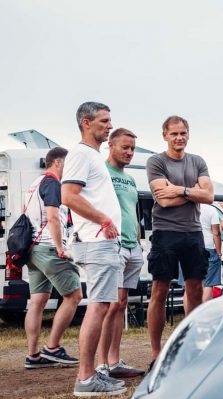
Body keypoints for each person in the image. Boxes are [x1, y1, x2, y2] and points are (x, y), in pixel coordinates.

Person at [61, 101, 125, 397]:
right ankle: (86, 379)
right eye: (104, 121)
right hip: (96, 240)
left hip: (102, 241)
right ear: (86, 123)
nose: (109, 126)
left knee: (102, 305)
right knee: (98, 306)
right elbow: (68, 196)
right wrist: (104, 220)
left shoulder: (92, 155)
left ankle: (90, 374)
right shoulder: (80, 153)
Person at [146, 115, 213, 364]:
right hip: (165, 232)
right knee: (160, 291)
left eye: (183, 133)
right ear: (165, 135)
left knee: (195, 289)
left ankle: (190, 348)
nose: (179, 137)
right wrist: (195, 192)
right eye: (174, 133)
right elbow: (163, 200)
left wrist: (179, 189)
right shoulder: (156, 161)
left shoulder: (197, 161)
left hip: (193, 232)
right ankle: (156, 353)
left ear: (188, 134)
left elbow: (209, 196)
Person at [23, 147, 83, 369]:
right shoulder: (53, 184)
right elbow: (53, 218)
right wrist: (60, 248)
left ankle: (33, 355)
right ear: (57, 163)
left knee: (37, 301)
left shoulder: (35, 184)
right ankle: (53, 347)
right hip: (49, 248)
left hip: (33, 249)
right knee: (74, 296)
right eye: (68, 164)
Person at [95, 128, 145, 379]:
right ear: (111, 145)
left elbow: (131, 210)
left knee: (121, 303)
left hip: (131, 245)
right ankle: (102, 363)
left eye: (132, 148)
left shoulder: (131, 179)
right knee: (110, 304)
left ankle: (114, 361)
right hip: (112, 244)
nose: (129, 152)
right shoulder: (101, 172)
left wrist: (137, 238)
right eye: (125, 147)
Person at [200, 202, 222, 301]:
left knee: (189, 284)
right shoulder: (211, 209)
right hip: (208, 247)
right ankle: (203, 309)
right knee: (208, 283)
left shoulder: (186, 207)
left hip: (188, 247)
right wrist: (219, 252)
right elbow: (216, 233)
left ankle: (190, 310)